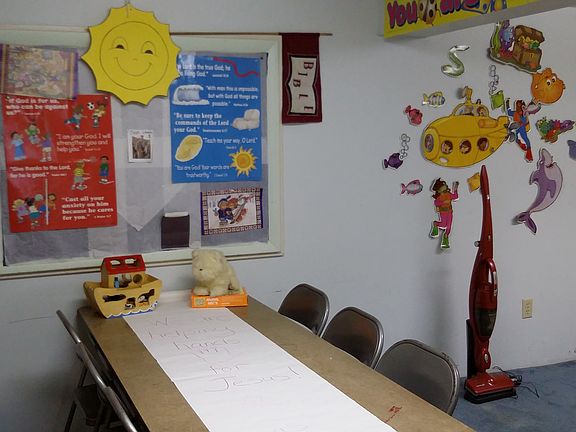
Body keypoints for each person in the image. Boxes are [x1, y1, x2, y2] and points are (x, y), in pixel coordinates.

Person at [430, 179, 459, 249]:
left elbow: (455, 197)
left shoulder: (448, 194)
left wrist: (455, 189)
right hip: (443, 212)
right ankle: (436, 224)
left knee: (449, 226)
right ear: (439, 190)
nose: (445, 186)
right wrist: (443, 202)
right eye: (443, 185)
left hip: (450, 212)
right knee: (443, 225)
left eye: (445, 184)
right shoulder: (439, 197)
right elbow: (436, 202)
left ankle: (445, 238)